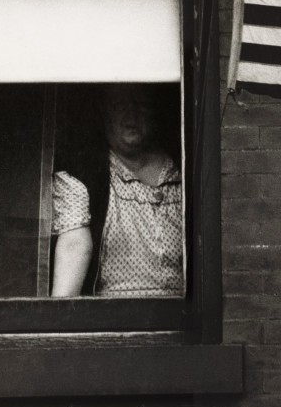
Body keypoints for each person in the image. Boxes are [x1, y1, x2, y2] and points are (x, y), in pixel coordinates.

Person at [50, 85, 184, 297]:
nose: (131, 113)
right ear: (104, 111)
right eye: (120, 104)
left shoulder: (183, 173)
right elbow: (74, 245)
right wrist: (58, 321)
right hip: (114, 319)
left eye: (142, 104)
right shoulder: (85, 176)